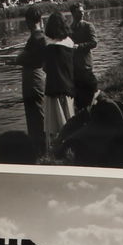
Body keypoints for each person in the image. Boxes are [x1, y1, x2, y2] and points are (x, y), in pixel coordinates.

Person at [36, 13, 77, 157]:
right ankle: (70, 150)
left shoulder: (47, 44)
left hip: (53, 86)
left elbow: (45, 68)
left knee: (54, 124)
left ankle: (56, 152)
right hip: (69, 86)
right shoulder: (70, 42)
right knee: (69, 119)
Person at [16, 6, 47, 153]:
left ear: (27, 22)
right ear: (41, 20)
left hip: (33, 80)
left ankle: (40, 148)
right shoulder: (43, 36)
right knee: (40, 111)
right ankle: (43, 145)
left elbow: (21, 58)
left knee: (35, 114)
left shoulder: (34, 38)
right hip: (40, 77)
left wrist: (18, 58)